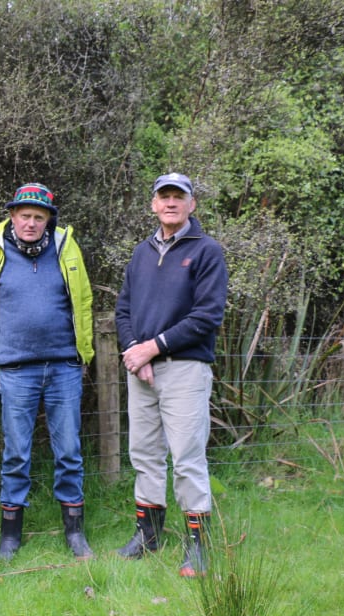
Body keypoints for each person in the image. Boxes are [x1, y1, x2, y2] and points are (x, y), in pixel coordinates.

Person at [0, 183, 95, 563]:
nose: (30, 223)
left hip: (63, 367)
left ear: (48, 220)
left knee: (69, 451)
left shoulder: (65, 246)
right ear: (12, 216)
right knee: (16, 454)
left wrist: (84, 353)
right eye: (24, 215)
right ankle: (10, 537)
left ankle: (75, 533)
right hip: (16, 370)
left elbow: (84, 300)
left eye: (38, 217)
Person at [115, 172, 228, 577]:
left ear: (191, 204)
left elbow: (206, 317)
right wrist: (135, 353)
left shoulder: (207, 252)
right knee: (144, 453)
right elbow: (123, 309)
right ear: (153, 204)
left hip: (185, 369)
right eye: (163, 196)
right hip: (141, 370)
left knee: (186, 457)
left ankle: (199, 546)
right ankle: (148, 535)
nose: (170, 203)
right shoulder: (141, 253)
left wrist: (154, 346)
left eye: (178, 197)